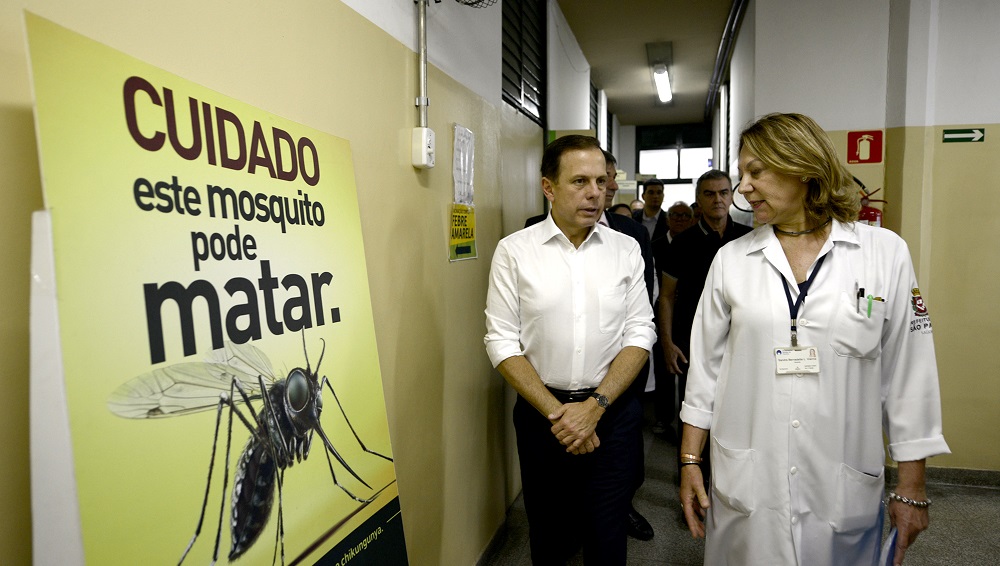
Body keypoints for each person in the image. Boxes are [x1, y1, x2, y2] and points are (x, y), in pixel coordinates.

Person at [679, 113, 950, 566]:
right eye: (741, 174)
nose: (743, 188)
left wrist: (912, 488)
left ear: (803, 167)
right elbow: (705, 371)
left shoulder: (883, 254)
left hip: (840, 481)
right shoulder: (732, 260)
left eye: (756, 172)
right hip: (750, 478)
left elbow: (910, 375)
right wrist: (690, 460)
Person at [486, 135, 655, 565]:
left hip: (611, 415)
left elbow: (640, 332)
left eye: (600, 181)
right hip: (543, 416)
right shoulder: (514, 252)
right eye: (580, 181)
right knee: (549, 534)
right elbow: (501, 340)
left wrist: (595, 408)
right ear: (549, 187)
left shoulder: (626, 249)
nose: (595, 192)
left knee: (607, 534)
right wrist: (559, 415)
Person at [655, 170, 751, 480]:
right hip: (691, 342)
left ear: (732, 195)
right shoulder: (682, 243)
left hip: (741, 342)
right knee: (694, 413)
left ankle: (728, 482)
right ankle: (691, 479)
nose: (717, 199)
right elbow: (666, 297)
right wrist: (667, 343)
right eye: (709, 194)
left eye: (723, 192)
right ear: (699, 199)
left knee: (737, 413)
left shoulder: (749, 238)